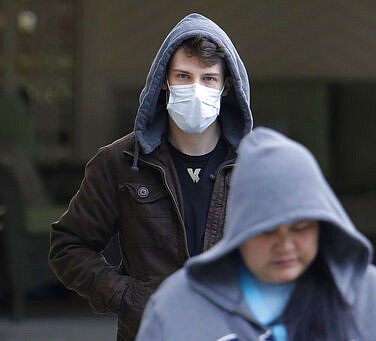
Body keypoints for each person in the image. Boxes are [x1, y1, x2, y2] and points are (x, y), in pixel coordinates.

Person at [48, 13, 252, 340]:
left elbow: (291, 250)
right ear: (165, 82)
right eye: (184, 76)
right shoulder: (119, 162)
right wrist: (131, 297)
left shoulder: (257, 166)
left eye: (208, 78)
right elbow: (69, 246)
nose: (196, 89)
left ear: (226, 86)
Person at [136, 127, 376, 341]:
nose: (286, 245)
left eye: (300, 228)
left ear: (322, 225)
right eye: (267, 232)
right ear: (239, 231)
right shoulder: (178, 306)